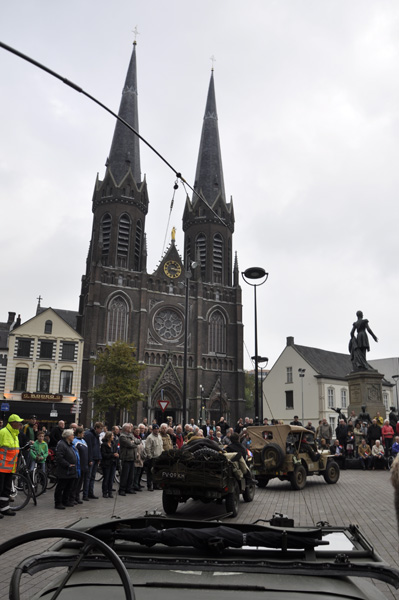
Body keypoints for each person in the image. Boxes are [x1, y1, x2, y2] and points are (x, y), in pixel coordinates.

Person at [0, 414, 24, 517]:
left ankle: (4, 508)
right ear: (12, 423)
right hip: (1, 468)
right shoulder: (3, 432)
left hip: (10, 468)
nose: (20, 424)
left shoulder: (15, 434)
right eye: (18, 422)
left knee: (6, 489)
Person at [54, 429, 77, 509]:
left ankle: (65, 500)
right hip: (64, 470)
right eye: (72, 435)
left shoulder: (69, 444)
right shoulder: (62, 444)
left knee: (68, 486)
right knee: (61, 487)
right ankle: (58, 502)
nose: (73, 436)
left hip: (71, 470)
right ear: (68, 436)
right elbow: (59, 457)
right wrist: (67, 465)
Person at [83, 422, 103, 500]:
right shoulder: (89, 435)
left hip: (95, 458)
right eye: (100, 429)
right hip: (91, 459)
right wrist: (90, 459)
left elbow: (97, 447)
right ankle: (85, 494)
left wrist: (98, 458)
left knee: (92, 477)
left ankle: (90, 493)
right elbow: (89, 448)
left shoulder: (96, 435)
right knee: (88, 477)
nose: (101, 431)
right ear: (96, 428)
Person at [118, 423, 139, 496]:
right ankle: (122, 489)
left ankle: (129, 488)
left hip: (132, 458)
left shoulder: (131, 435)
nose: (131, 428)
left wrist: (133, 442)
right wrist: (134, 443)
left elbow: (138, 441)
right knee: (125, 475)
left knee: (131, 475)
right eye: (129, 427)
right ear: (126, 428)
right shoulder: (122, 436)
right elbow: (129, 444)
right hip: (126, 458)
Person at [144, 424, 163, 491]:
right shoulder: (150, 437)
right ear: (153, 430)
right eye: (155, 429)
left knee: (156, 472)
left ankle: (155, 485)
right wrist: (150, 456)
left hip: (159, 457)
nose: (157, 430)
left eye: (158, 429)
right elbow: (147, 448)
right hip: (152, 457)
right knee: (150, 472)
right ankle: (149, 486)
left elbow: (161, 446)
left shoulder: (159, 436)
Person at [72, 427, 89, 503]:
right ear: (78, 433)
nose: (83, 434)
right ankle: (73, 497)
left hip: (84, 464)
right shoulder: (75, 441)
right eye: (82, 433)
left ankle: (77, 496)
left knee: (80, 482)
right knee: (76, 482)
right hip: (78, 464)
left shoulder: (84, 441)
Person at [101, 431, 119, 498]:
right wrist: (112, 455)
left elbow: (116, 451)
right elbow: (104, 454)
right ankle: (105, 492)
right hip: (106, 464)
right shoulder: (104, 445)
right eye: (112, 436)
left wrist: (116, 454)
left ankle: (110, 492)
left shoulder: (113, 444)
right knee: (106, 478)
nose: (113, 437)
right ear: (108, 437)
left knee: (111, 478)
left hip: (113, 463)